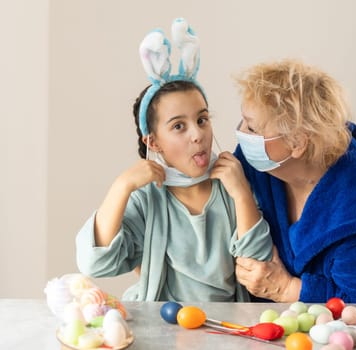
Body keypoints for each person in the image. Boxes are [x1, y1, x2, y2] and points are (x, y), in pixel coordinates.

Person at [76, 18, 272, 302]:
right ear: (153, 142)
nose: (197, 135)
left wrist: (241, 195)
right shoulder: (147, 198)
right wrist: (121, 187)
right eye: (179, 126)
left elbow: (257, 268)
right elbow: (95, 264)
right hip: (161, 329)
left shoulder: (232, 183)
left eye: (202, 119)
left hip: (225, 330)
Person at [233, 58, 356, 303]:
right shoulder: (254, 168)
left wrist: (288, 290)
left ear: (297, 143)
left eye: (252, 129)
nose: (241, 133)